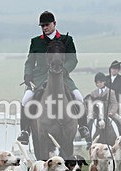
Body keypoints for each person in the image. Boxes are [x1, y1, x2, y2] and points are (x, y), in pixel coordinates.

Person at [17, 11, 91, 145]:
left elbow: (72, 60)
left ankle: (83, 126)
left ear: (54, 23)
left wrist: (64, 70)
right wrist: (27, 75)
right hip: (39, 78)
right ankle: (25, 131)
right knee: (26, 99)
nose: (44, 28)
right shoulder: (36, 42)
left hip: (62, 76)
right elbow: (29, 62)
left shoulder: (67, 40)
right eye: (42, 26)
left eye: (47, 25)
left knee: (78, 97)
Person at [106, 60, 121, 133]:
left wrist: (114, 100)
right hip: (106, 101)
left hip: (118, 100)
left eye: (115, 69)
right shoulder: (105, 78)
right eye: (112, 69)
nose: (113, 70)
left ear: (118, 70)